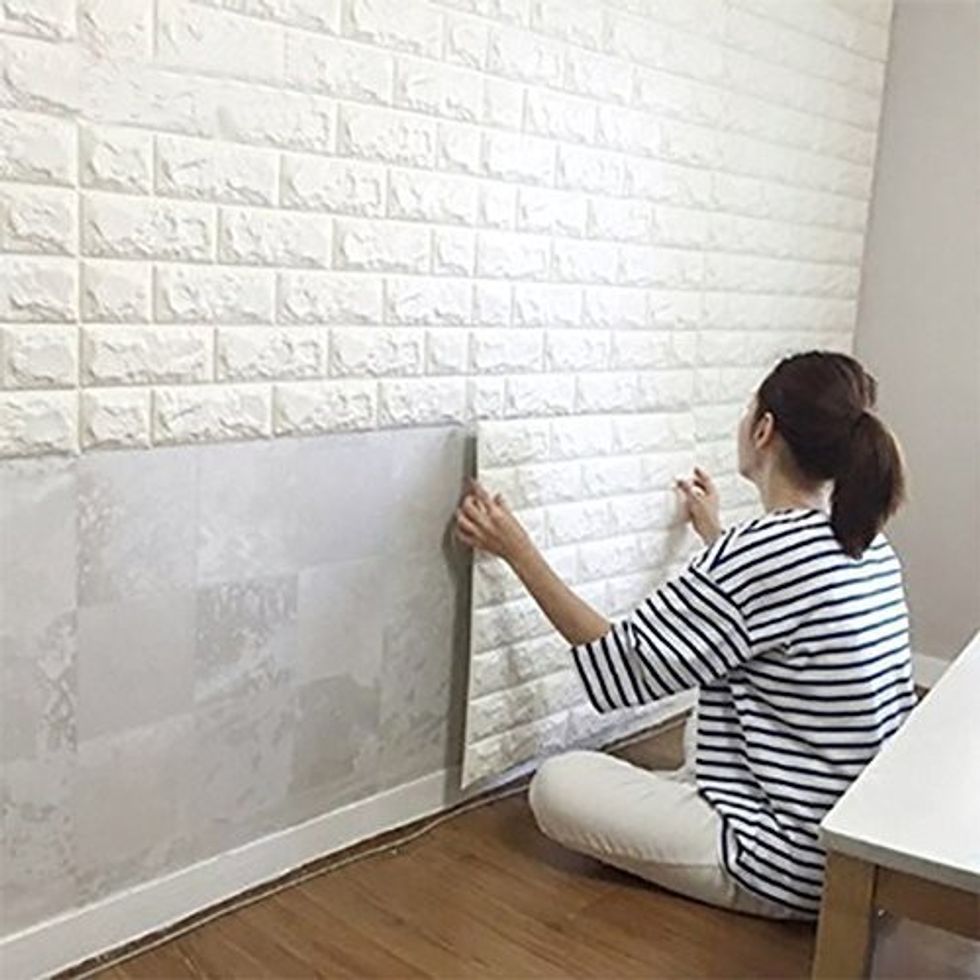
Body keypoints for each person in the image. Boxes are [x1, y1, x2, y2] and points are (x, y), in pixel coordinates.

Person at [454, 350, 916, 921]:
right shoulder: (865, 542)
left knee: (555, 783)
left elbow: (622, 663)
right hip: (855, 852)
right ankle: (686, 799)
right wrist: (714, 534)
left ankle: (697, 814)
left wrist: (516, 548)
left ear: (764, 429)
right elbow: (769, 613)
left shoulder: (758, 554)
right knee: (709, 710)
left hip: (786, 863)